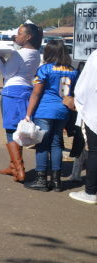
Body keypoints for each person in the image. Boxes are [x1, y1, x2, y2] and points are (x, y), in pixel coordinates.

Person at [0, 23, 43, 182]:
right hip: (25, 90)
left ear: (28, 36)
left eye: (19, 34)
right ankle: (13, 165)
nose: (16, 36)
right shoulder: (36, 53)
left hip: (12, 92)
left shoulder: (20, 54)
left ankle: (19, 168)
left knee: (10, 129)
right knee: (15, 128)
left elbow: (6, 73)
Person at [22, 40, 78, 192]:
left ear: (49, 52)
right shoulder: (73, 71)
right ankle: (57, 181)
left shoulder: (45, 69)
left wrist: (28, 114)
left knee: (42, 145)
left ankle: (41, 179)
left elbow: (36, 93)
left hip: (45, 110)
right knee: (57, 144)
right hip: (63, 111)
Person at [65, 48, 97, 205]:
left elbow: (85, 87)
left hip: (94, 111)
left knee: (95, 151)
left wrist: (76, 102)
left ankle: (91, 191)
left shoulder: (95, 56)